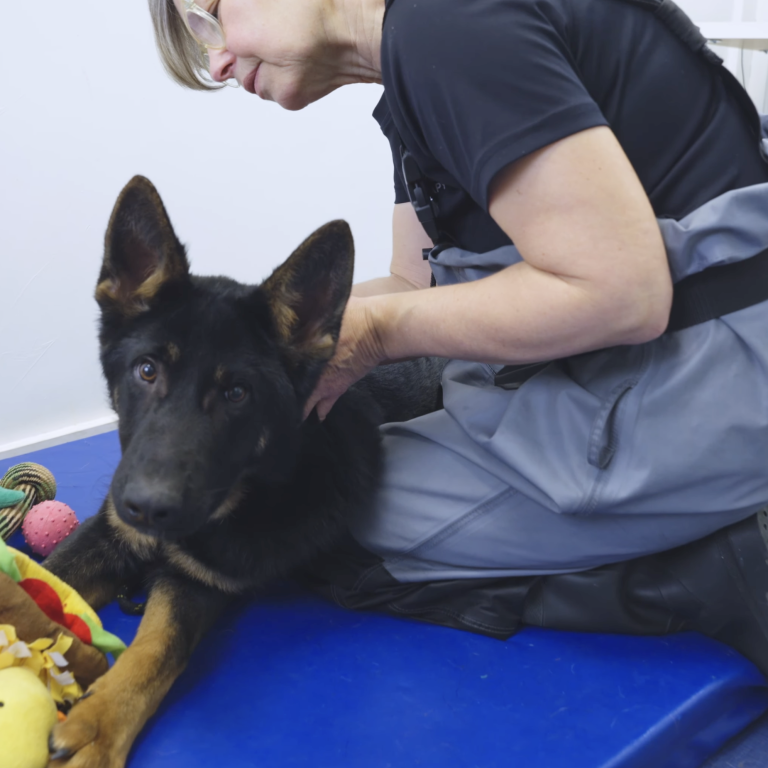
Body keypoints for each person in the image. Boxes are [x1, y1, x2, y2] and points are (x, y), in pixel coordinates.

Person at [151, 0, 768, 674]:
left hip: (704, 386)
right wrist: (257, 343)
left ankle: (707, 570)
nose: (215, 61)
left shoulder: (450, 31)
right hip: (657, 363)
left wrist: (378, 335)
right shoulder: (425, 54)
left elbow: (624, 294)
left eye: (207, 15)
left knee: (307, 521)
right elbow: (413, 289)